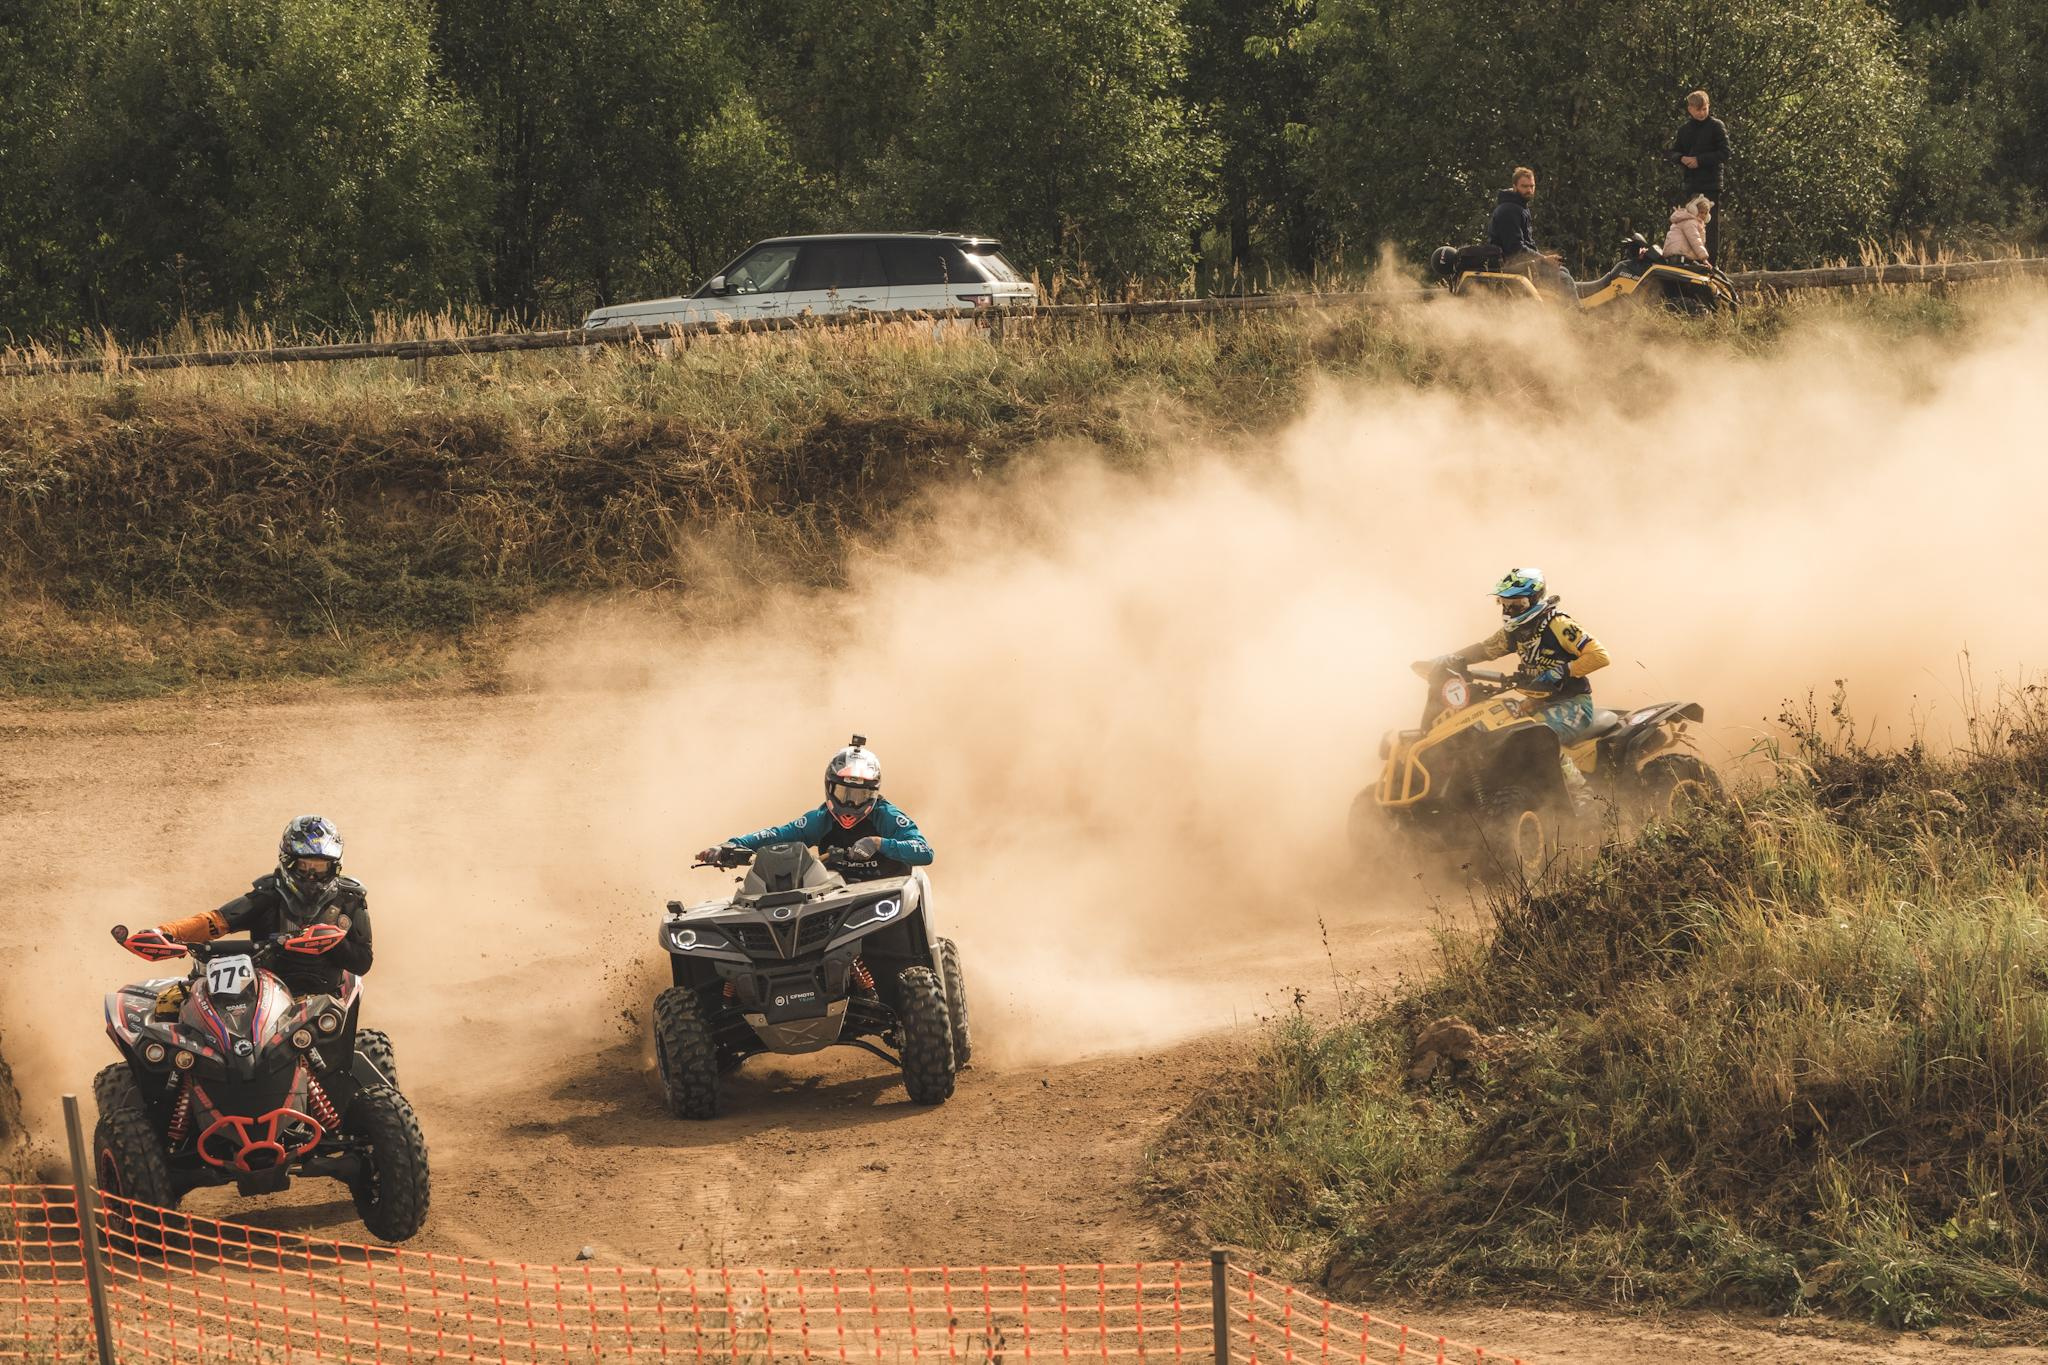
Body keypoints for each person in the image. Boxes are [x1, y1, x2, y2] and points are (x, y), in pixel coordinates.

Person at [121, 815, 373, 998]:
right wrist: (164, 932)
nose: (311, 875)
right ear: (288, 862)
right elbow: (217, 921)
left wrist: (335, 941)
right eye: (304, 866)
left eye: (320, 867)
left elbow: (363, 963)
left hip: (324, 996)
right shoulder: (269, 894)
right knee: (173, 1003)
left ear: (334, 866)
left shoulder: (350, 899)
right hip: (262, 993)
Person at [1433, 568, 1610, 807]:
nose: (1508, 610)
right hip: (1536, 703)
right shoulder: (1515, 631)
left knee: (1540, 737)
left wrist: (1563, 670)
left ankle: (1583, 798)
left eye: (1516, 605)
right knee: (1497, 733)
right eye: (1504, 604)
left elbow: (1600, 655)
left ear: (1535, 600)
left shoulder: (1558, 624)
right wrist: (1451, 658)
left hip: (1573, 704)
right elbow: (1486, 649)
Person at [698, 736, 933, 883]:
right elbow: (776, 835)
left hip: (889, 893)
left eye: (860, 796)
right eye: (844, 794)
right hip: (837, 896)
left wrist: (879, 843)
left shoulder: (888, 816)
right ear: (830, 788)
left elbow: (924, 851)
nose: (851, 804)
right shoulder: (819, 820)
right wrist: (727, 847)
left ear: (874, 793)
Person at [1486, 167, 1576, 299]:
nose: (1529, 190)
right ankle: (1575, 315)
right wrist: (1543, 259)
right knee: (1564, 279)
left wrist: (1543, 260)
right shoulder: (1509, 210)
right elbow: (1515, 249)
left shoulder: (1520, 207)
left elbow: (1527, 243)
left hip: (1522, 263)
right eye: (1524, 186)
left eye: (1532, 186)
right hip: (1510, 265)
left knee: (1563, 271)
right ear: (1515, 186)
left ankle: (1561, 309)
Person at [1667, 91, 1731, 261]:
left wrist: (1699, 160)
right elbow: (1673, 152)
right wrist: (1682, 159)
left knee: (1709, 226)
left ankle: (1711, 263)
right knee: (1690, 225)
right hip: (1691, 185)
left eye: (1705, 109)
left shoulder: (1716, 126)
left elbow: (1725, 153)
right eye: (1698, 110)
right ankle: (1691, 260)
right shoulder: (1684, 130)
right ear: (1690, 109)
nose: (1702, 113)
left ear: (1708, 106)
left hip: (1710, 184)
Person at [1662, 194, 1713, 263]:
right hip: (1678, 254)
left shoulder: (1693, 221)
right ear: (1694, 210)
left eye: (1706, 213)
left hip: (1679, 254)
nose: (1703, 215)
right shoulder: (1690, 222)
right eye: (1701, 212)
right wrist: (1704, 258)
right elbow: (1695, 240)